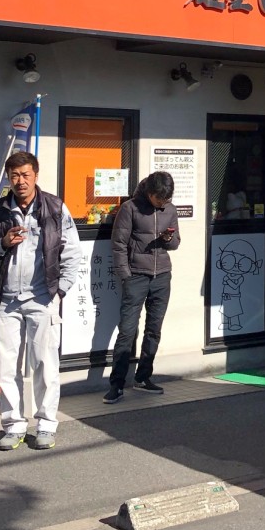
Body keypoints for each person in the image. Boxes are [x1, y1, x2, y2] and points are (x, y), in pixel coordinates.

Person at [0, 151, 81, 452]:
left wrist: (60, 290)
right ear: (9, 177)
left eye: (25, 175)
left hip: (43, 298)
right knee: (7, 367)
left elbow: (72, 253)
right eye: (14, 175)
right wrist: (2, 243)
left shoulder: (55, 208)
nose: (20, 181)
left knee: (45, 365)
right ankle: (13, 426)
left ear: (35, 175)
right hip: (6, 300)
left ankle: (46, 425)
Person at [104, 171, 180, 403]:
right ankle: (117, 384)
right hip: (136, 276)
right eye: (160, 200)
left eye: (167, 200)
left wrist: (168, 239)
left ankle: (143, 377)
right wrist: (126, 275)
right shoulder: (130, 208)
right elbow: (118, 245)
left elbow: (176, 244)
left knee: (154, 329)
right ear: (150, 193)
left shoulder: (171, 210)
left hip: (162, 276)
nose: (163, 203)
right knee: (127, 331)